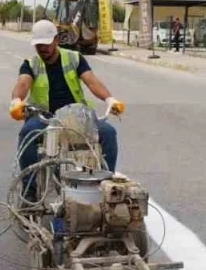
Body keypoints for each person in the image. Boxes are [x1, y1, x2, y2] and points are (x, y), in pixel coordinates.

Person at [8, 20, 124, 185]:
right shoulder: (31, 64)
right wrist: (16, 101)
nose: (43, 49)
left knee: (108, 133)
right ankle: (31, 190)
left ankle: (105, 184)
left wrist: (110, 99)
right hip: (43, 118)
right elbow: (22, 84)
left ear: (56, 40)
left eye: (46, 44)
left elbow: (92, 81)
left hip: (76, 116)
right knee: (27, 133)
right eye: (38, 45)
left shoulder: (74, 58)